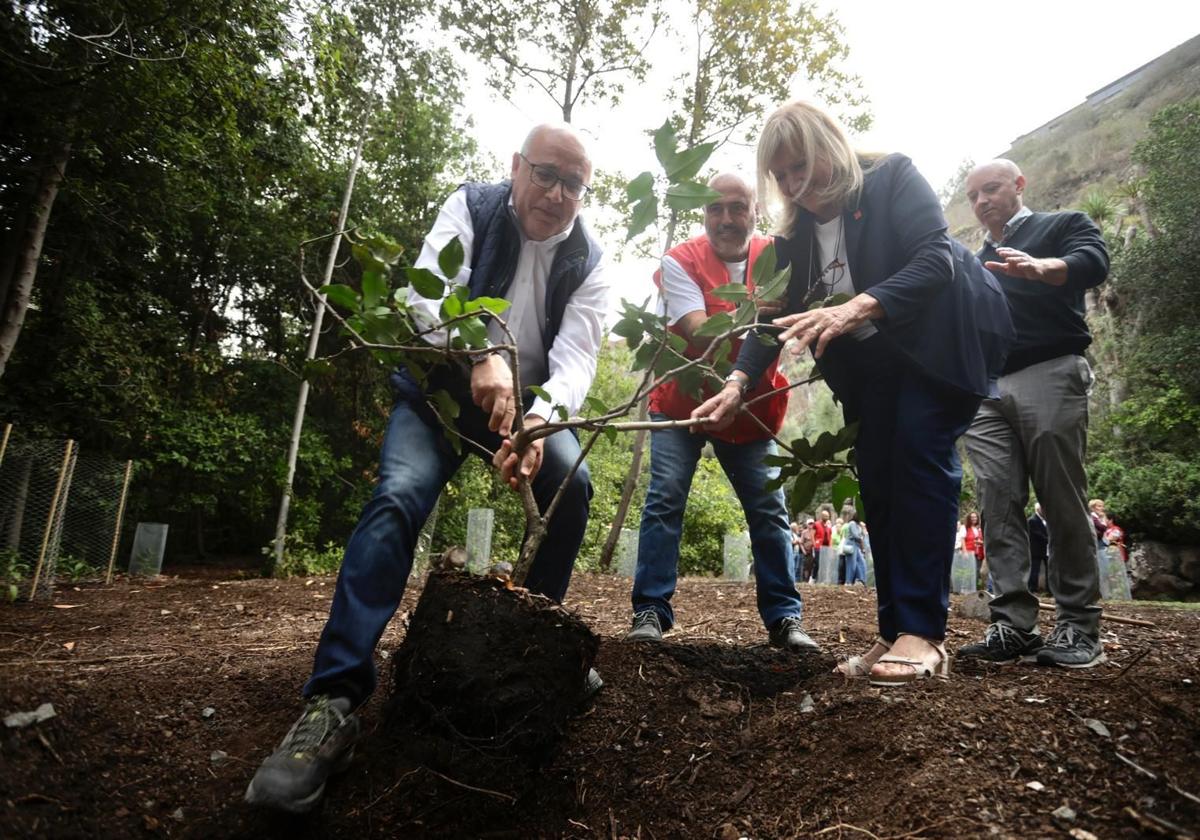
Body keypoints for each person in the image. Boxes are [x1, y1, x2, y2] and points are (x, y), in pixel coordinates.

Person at [245, 124, 611, 813]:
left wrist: (542, 418)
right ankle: (332, 703)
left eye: (573, 183)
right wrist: (478, 349)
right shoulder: (470, 208)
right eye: (545, 174)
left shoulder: (589, 258)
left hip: (527, 407)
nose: (556, 194)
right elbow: (422, 299)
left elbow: (578, 358)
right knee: (399, 497)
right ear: (516, 167)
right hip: (440, 390)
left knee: (573, 488)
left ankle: (534, 664)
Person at [691, 101, 1014, 686]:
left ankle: (924, 634)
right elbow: (773, 319)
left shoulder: (892, 178)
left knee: (918, 458)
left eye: (802, 167)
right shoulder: (793, 238)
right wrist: (736, 384)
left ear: (829, 149)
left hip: (940, 345)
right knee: (878, 477)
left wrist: (858, 304)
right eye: (783, 175)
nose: (795, 183)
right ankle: (895, 632)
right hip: (875, 368)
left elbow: (937, 257)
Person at [625, 173, 816, 652]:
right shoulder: (679, 262)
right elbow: (696, 330)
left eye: (737, 207)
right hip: (681, 402)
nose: (726, 219)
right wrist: (758, 311)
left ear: (756, 209)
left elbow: (780, 329)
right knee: (665, 497)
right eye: (715, 209)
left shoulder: (780, 257)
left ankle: (784, 618)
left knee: (769, 509)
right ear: (703, 213)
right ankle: (650, 609)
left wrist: (762, 322)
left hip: (751, 407)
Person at [959, 159, 1110, 670]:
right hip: (983, 391)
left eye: (992, 189)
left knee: (1060, 497)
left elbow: (1093, 260)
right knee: (997, 500)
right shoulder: (973, 260)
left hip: (1050, 369)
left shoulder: (1063, 225)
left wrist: (1045, 268)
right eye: (974, 195)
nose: (982, 201)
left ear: (1019, 185)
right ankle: (1013, 626)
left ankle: (1078, 626)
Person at [842, 511, 868, 586]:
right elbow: (855, 535)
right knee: (851, 564)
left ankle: (861, 580)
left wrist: (862, 528)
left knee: (862, 562)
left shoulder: (859, 525)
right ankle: (848, 582)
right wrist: (861, 538)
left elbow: (863, 535)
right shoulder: (852, 523)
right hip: (851, 544)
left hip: (857, 546)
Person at [1028, 502, 1049, 592]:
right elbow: (1037, 534)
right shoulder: (1032, 520)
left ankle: (1049, 589)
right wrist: (1049, 539)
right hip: (1036, 550)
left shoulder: (1045, 520)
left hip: (1046, 549)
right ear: (1038, 509)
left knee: (1049, 569)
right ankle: (1032, 588)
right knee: (1034, 570)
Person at [961, 512, 985, 588]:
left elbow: (982, 540)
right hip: (969, 552)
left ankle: (974, 588)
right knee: (969, 571)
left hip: (979, 553)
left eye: (975, 517)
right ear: (969, 518)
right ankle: (966, 588)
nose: (974, 519)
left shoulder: (979, 528)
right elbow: (962, 539)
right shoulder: (965, 527)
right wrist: (965, 552)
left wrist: (980, 542)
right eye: (972, 517)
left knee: (977, 571)